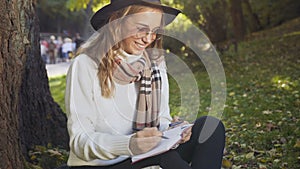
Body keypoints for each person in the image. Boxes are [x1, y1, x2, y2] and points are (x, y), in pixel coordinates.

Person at [64, 0, 225, 169]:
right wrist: (129, 144)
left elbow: (162, 120)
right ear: (115, 23)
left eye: (155, 31)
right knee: (168, 160)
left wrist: (176, 130)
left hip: (147, 154)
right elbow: (79, 141)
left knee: (211, 128)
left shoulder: (154, 62)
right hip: (102, 165)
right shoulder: (85, 64)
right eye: (141, 28)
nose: (149, 39)